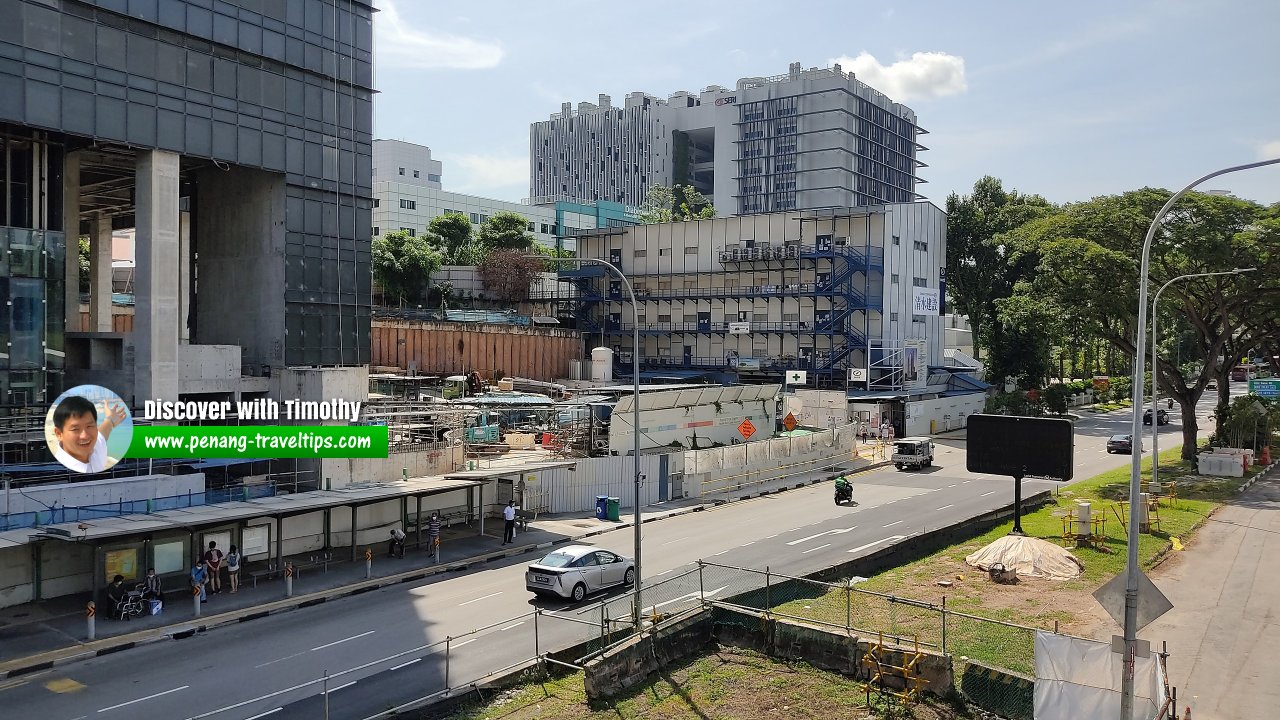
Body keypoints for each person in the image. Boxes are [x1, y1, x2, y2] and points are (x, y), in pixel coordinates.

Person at [50, 395, 127, 473]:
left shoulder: (95, 448)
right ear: (59, 434)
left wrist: (110, 420)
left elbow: (102, 433)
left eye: (89, 426)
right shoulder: (57, 471)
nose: (85, 436)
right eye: (75, 429)